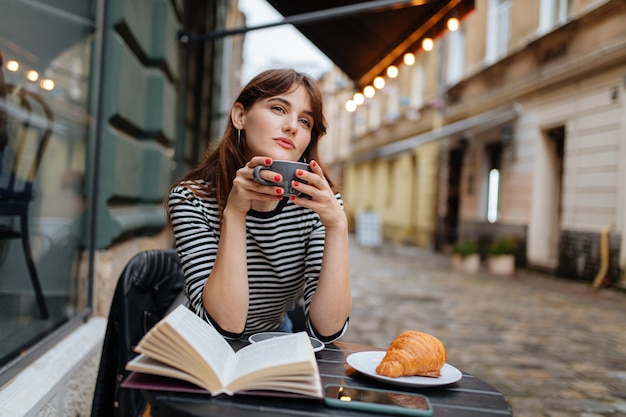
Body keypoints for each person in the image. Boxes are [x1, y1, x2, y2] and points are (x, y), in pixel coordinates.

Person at [168, 68, 351, 343]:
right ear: (240, 116)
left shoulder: (318, 205)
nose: (292, 126)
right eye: (278, 108)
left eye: (305, 121)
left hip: (273, 341)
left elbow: (327, 330)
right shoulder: (192, 199)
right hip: (200, 346)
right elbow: (226, 325)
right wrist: (235, 213)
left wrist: (337, 225)